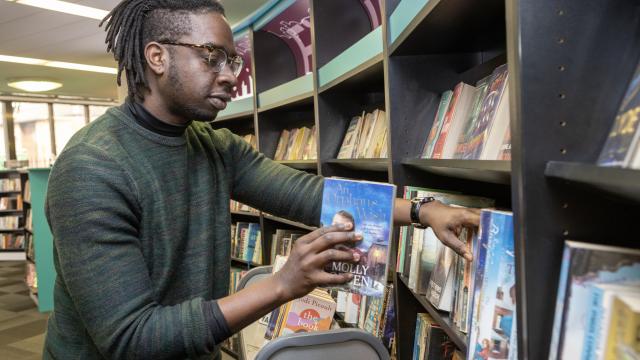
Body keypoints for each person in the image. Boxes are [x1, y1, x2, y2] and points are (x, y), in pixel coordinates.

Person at [43, 1, 480, 359]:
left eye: (232, 59)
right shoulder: (92, 168)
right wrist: (281, 285)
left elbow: (307, 195)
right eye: (211, 56)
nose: (232, 75)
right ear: (157, 56)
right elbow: (131, 339)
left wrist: (423, 211)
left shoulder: (211, 145)